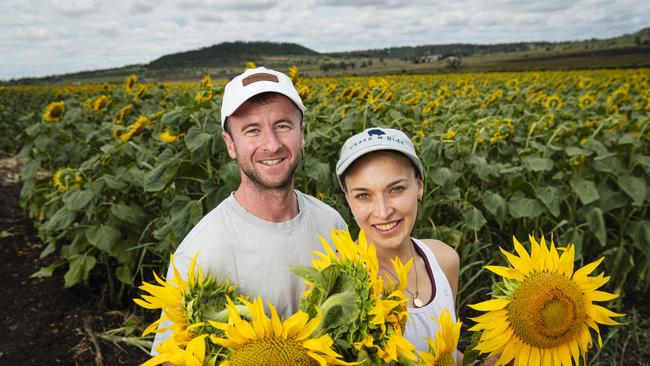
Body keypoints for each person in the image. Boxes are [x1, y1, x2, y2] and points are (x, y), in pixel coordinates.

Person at [151, 67, 346, 357]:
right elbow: (172, 359)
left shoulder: (331, 223)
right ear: (230, 144)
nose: (271, 144)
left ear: (301, 134)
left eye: (283, 125)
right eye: (252, 130)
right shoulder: (199, 254)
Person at [335, 127, 462, 361]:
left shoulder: (443, 260)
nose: (383, 211)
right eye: (363, 195)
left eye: (396, 189)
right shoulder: (339, 282)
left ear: (419, 187)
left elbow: (448, 353)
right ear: (348, 200)